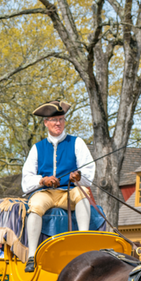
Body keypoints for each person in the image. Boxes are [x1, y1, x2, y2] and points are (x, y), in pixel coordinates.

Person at [21, 100, 94, 271]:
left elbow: (88, 172)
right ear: (46, 123)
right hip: (45, 193)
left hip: (69, 192)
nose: (58, 123)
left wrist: (78, 177)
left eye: (61, 119)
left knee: (83, 195)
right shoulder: (37, 148)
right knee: (35, 206)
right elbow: (26, 179)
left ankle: (83, 245)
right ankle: (32, 256)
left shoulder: (77, 143)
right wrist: (42, 180)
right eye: (54, 120)